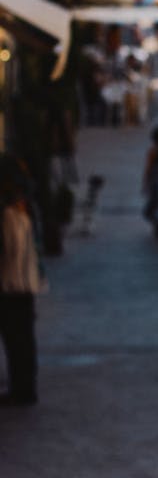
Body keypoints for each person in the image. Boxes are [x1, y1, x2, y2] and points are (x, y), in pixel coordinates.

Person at [0, 154, 43, 406]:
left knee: (18, 338)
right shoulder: (25, 207)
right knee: (23, 338)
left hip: (9, 284)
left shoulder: (8, 212)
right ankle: (25, 387)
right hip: (24, 283)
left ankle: (23, 389)